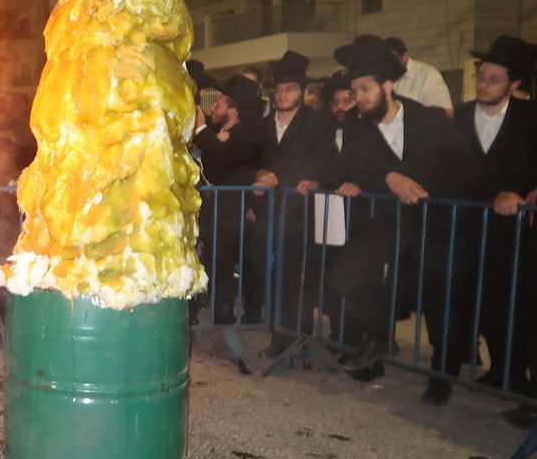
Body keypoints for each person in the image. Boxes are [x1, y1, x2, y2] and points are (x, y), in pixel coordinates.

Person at [324, 37, 475, 404]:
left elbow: (467, 172)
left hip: (435, 225)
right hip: (387, 225)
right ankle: (377, 339)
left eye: (364, 89)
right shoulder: (359, 127)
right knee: (348, 275)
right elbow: (352, 168)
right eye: (353, 90)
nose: (357, 97)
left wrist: (420, 186)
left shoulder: (433, 121)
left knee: (438, 300)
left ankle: (442, 376)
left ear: (388, 86)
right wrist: (388, 178)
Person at [453, 36, 537, 406]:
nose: (483, 84)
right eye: (480, 76)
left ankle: (521, 375)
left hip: (517, 230)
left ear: (514, 84)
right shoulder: (458, 115)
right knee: (481, 299)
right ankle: (500, 367)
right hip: (470, 226)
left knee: (516, 302)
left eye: (493, 78)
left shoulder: (532, 118)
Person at [251, 51, 338, 355]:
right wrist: (259, 173)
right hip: (269, 215)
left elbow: (326, 162)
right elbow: (252, 160)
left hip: (302, 215)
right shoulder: (263, 126)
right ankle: (280, 333)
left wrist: (277, 176)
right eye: (278, 89)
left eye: (289, 89)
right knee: (273, 275)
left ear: (303, 92)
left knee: (298, 276)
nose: (282, 95)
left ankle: (297, 335)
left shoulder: (319, 123)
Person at [193, 74, 267, 325]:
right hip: (221, 213)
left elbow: (225, 160)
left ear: (234, 109)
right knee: (219, 261)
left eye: (220, 102)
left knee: (248, 262)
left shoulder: (248, 134)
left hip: (241, 211)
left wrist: (202, 129)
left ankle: (250, 311)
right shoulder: (221, 132)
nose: (213, 106)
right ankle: (223, 312)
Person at [385, 35, 453, 116]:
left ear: (404, 56)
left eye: (393, 60)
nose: (390, 65)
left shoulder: (427, 74)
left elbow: (446, 113)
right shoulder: (384, 78)